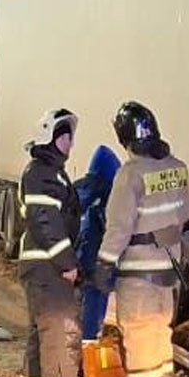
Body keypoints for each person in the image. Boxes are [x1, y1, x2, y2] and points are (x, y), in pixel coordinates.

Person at [93, 102, 189, 377]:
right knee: (159, 333)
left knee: (137, 334)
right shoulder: (177, 168)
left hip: (138, 270)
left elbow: (118, 227)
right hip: (169, 269)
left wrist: (104, 264)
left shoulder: (130, 174)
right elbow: (181, 217)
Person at [18, 108, 95, 377]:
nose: (71, 143)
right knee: (61, 329)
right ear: (52, 137)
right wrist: (68, 262)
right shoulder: (43, 173)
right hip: (47, 265)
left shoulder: (47, 171)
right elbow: (45, 220)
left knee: (43, 331)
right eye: (66, 137)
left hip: (39, 265)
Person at [74, 145, 121, 341]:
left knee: (75, 312)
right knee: (93, 316)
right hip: (97, 263)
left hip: (77, 262)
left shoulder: (78, 189)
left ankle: (73, 355)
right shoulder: (109, 196)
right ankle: (87, 358)